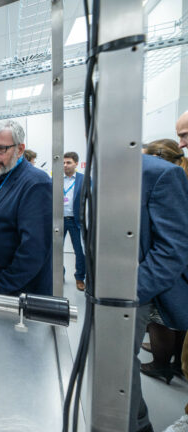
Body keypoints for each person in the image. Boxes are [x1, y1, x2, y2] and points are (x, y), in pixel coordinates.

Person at [131, 154, 188, 432]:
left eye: (185, 135)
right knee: (117, 365)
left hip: (136, 292)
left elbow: (172, 248)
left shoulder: (162, 174)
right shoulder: (100, 173)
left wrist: (131, 292)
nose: (182, 144)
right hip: (110, 289)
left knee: (119, 365)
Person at [0, 120, 52, 296]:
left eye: (0, 149)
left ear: (20, 149)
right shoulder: (0, 176)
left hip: (21, 290)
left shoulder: (35, 183)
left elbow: (34, 250)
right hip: (3, 282)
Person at [140, 139, 188, 383]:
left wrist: (136, 289)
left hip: (164, 272)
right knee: (172, 321)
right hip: (172, 272)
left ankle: (161, 365)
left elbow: (171, 246)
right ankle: (175, 363)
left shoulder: (168, 178)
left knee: (161, 321)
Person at [63, 152, 86, 291]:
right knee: (55, 250)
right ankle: (59, 274)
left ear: (76, 164)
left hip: (76, 221)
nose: (65, 165)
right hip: (59, 220)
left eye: (68, 162)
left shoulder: (84, 179)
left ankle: (79, 278)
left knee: (79, 251)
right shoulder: (56, 179)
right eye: (63, 163)